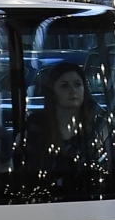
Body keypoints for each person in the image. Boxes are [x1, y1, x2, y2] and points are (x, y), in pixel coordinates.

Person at [25, 60, 102, 189]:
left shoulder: (98, 125)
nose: (73, 91)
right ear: (52, 91)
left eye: (77, 84)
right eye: (64, 86)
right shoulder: (36, 126)